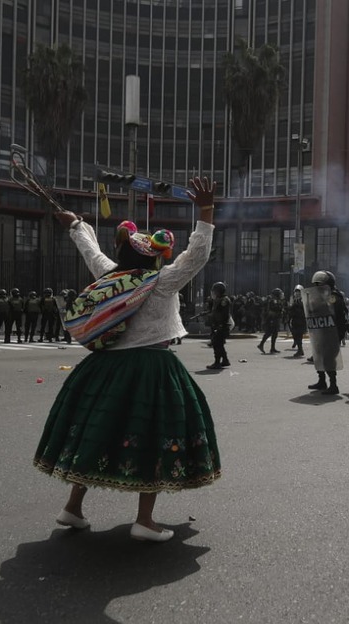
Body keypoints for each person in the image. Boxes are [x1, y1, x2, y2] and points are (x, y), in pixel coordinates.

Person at [34, 176, 220, 543]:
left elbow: (91, 251)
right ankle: (145, 521)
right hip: (151, 366)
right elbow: (197, 255)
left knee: (97, 431)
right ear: (153, 257)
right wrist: (206, 211)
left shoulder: (111, 275)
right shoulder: (162, 281)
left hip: (105, 368)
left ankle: (72, 507)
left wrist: (74, 224)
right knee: (152, 434)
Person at [305, 270, 347, 395]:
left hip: (332, 332)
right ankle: (322, 381)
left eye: (320, 284)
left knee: (329, 358)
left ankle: (333, 385)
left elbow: (334, 312)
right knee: (318, 356)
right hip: (321, 330)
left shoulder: (334, 296)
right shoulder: (319, 295)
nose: (318, 287)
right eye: (316, 284)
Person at [206, 281, 232, 369]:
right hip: (217, 325)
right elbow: (215, 312)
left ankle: (217, 362)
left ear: (219, 291)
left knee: (217, 344)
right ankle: (225, 360)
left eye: (215, 290)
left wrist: (220, 325)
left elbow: (223, 314)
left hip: (221, 326)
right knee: (219, 344)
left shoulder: (224, 300)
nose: (214, 292)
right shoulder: (218, 299)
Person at [257, 288, 285, 353]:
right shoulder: (273, 301)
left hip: (275, 319)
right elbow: (274, 309)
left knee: (275, 334)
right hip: (272, 319)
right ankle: (261, 344)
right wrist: (280, 309)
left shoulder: (276, 300)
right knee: (269, 332)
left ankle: (272, 348)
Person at [287, 285, 306, 358]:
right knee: (296, 335)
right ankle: (300, 350)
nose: (297, 293)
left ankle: (300, 350)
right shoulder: (294, 300)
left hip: (301, 320)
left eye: (299, 292)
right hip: (295, 320)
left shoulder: (303, 300)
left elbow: (303, 309)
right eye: (296, 292)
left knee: (298, 335)